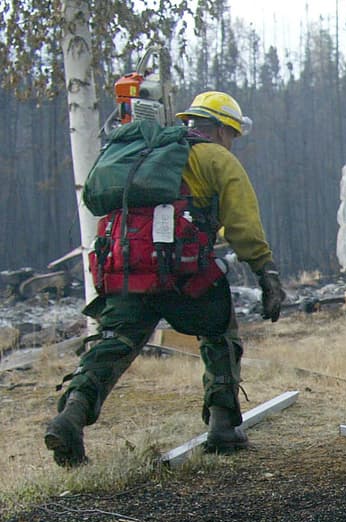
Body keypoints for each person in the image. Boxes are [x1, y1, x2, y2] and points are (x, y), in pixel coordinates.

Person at [44, 91, 286, 467]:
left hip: (126, 273)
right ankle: (222, 426)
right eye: (232, 134)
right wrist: (265, 272)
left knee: (112, 344)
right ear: (222, 129)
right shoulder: (216, 158)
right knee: (219, 332)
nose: (232, 141)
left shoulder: (139, 156)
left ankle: (71, 415)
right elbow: (243, 225)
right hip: (185, 276)